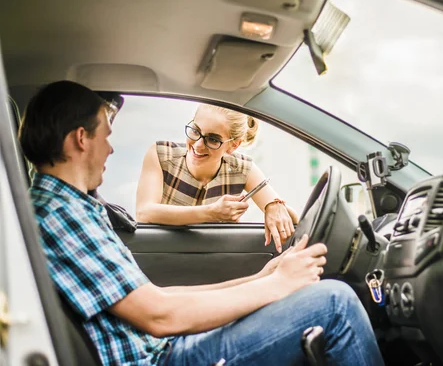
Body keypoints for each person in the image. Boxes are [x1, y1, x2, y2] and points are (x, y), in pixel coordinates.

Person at [20, 80, 385, 366]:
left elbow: (155, 299)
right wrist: (277, 286)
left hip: (162, 348)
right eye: (107, 136)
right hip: (162, 358)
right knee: (335, 302)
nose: (111, 149)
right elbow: (159, 316)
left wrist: (264, 278)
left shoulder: (71, 207)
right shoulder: (60, 214)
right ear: (81, 139)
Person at [136, 103, 298, 253]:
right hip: (162, 256)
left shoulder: (242, 168)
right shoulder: (162, 154)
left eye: (213, 139)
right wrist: (212, 213)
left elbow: (287, 217)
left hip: (217, 261)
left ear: (233, 145)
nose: (198, 144)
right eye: (195, 131)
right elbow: (144, 212)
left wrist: (273, 206)